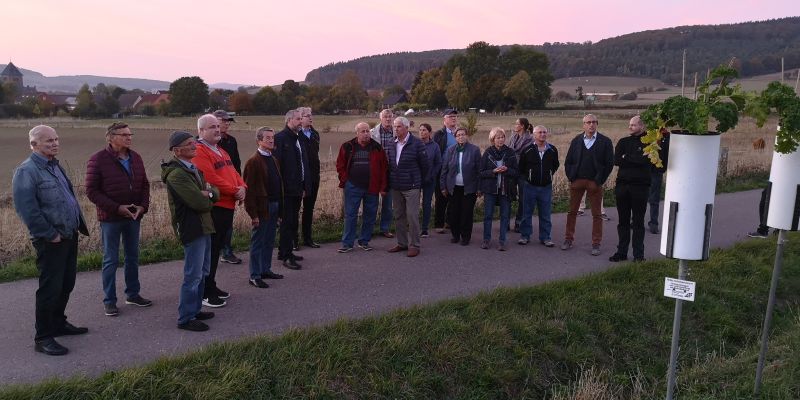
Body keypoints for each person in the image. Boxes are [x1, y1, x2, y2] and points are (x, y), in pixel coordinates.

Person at [12, 125, 89, 356]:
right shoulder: (27, 171)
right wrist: (50, 234)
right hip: (51, 239)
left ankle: (58, 323)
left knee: (66, 283)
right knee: (50, 288)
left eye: (56, 140)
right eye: (48, 141)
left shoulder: (55, 166)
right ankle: (43, 337)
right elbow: (27, 210)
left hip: (69, 234)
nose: (54, 144)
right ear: (33, 145)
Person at [85, 122, 152, 317]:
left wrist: (142, 206)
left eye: (130, 134)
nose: (129, 138)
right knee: (110, 260)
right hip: (111, 218)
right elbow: (91, 191)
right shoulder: (97, 160)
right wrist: (117, 208)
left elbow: (145, 185)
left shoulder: (136, 158)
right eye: (124, 135)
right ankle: (109, 300)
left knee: (132, 257)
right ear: (111, 137)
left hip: (134, 216)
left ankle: (132, 294)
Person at [161, 131, 218, 332]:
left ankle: (195, 310)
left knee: (203, 271)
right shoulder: (177, 175)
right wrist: (208, 194)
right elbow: (198, 202)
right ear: (177, 150)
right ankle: (185, 318)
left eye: (194, 143)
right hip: (192, 227)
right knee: (193, 274)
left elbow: (212, 193)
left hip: (204, 225)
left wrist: (208, 193)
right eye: (189, 144)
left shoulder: (193, 169)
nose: (194, 146)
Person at [193, 114, 247, 308]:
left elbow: (234, 173)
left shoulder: (221, 151)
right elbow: (211, 179)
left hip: (228, 205)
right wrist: (235, 191)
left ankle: (212, 284)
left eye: (218, 126)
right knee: (211, 250)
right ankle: (205, 292)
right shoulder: (199, 151)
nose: (217, 129)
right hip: (215, 208)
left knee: (216, 250)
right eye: (211, 127)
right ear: (201, 131)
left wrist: (243, 188)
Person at [562, 114, 614, 256]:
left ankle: (596, 244)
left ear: (597, 124)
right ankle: (568, 239)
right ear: (583, 125)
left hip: (594, 182)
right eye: (588, 122)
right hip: (577, 181)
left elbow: (609, 163)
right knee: (572, 212)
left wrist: (599, 180)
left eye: (593, 122)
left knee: (597, 214)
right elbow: (568, 161)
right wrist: (572, 177)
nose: (591, 125)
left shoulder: (605, 141)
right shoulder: (576, 141)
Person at [335, 122, 389, 253]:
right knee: (351, 215)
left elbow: (384, 168)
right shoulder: (347, 146)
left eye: (367, 131)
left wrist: (383, 187)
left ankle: (364, 241)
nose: (366, 134)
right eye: (363, 131)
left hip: (372, 187)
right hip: (353, 186)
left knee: (370, 215)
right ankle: (347, 243)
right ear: (357, 133)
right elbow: (340, 165)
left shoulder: (377, 148)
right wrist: (345, 180)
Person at [242, 127, 285, 288]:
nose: (271, 140)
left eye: (272, 137)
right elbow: (249, 191)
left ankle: (265, 269)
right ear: (259, 141)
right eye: (267, 138)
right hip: (262, 208)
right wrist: (253, 215)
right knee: (258, 242)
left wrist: (280, 211)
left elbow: (278, 185)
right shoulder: (253, 162)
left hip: (275, 205)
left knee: (269, 240)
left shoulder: (273, 159)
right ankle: (254, 275)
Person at [609, 116, 651, 262]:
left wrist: (628, 157)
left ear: (642, 126)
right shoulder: (623, 142)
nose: (630, 127)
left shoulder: (650, 143)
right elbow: (617, 160)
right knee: (623, 221)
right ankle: (621, 252)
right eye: (629, 125)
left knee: (638, 222)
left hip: (640, 187)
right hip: (622, 187)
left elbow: (646, 161)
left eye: (633, 125)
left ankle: (639, 255)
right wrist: (637, 158)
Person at [386, 116, 430, 257]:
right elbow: (390, 165)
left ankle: (415, 245)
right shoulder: (391, 143)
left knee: (412, 216)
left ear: (406, 127)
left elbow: (425, 166)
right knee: (399, 216)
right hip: (396, 186)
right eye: (394, 126)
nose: (395, 129)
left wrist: (417, 182)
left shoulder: (417, 144)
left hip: (412, 186)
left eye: (398, 126)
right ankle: (402, 243)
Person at [274, 109, 309, 269]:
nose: (300, 121)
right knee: (287, 223)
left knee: (293, 221)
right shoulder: (281, 139)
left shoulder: (298, 138)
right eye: (297, 119)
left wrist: (303, 186)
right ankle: (286, 256)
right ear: (288, 120)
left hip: (297, 188)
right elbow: (277, 166)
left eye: (301, 119)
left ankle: (285, 250)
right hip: (286, 190)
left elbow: (302, 164)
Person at [518, 125, 560, 247]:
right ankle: (525, 236)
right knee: (527, 213)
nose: (542, 134)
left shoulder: (552, 150)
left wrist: (548, 175)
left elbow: (555, 165)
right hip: (530, 186)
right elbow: (522, 167)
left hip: (546, 187)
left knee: (545, 214)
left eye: (544, 132)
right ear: (534, 135)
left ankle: (546, 237)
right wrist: (529, 177)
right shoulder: (527, 150)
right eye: (540, 132)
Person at [440, 127, 481, 246]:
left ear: (467, 136)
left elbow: (479, 171)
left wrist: (479, 188)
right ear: (455, 137)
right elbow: (444, 170)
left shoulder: (474, 150)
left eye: (463, 134)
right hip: (453, 188)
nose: (460, 137)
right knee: (454, 212)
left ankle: (466, 236)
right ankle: (455, 235)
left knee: (466, 213)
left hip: (469, 188)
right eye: (458, 135)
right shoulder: (450, 150)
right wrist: (443, 186)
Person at [212, 110, 243, 265]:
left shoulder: (231, 141)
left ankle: (226, 251)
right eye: (224, 121)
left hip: (231, 187)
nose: (227, 123)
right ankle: (213, 254)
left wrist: (240, 185)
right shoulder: (207, 142)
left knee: (227, 224)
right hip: (214, 190)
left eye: (228, 121)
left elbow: (236, 164)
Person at [480, 127, 518, 251]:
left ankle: (502, 241)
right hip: (490, 189)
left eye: (502, 137)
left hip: (505, 189)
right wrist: (493, 171)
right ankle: (486, 240)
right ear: (492, 139)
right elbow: (481, 172)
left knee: (505, 216)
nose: (501, 140)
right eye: (498, 137)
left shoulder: (510, 152)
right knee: (488, 215)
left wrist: (507, 170)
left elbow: (516, 172)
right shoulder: (488, 153)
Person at [297, 107, 321, 248]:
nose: (310, 118)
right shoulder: (296, 135)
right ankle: (293, 241)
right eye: (306, 116)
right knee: (294, 210)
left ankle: (308, 238)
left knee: (309, 209)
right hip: (300, 177)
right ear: (300, 118)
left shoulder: (315, 134)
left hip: (313, 177)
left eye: (311, 115)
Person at [432, 108, 459, 233]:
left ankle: (450, 221)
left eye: (455, 116)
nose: (453, 118)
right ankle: (439, 224)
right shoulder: (439, 134)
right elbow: (435, 152)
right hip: (442, 170)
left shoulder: (459, 133)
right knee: (441, 198)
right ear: (444, 120)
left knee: (454, 198)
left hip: (457, 171)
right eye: (450, 116)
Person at [370, 109, 395, 238]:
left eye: (390, 117)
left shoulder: (396, 133)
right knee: (372, 202)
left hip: (390, 171)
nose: (388, 119)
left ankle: (384, 228)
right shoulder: (372, 133)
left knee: (388, 203)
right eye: (385, 117)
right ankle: (369, 228)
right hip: (375, 171)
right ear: (380, 118)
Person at [508, 118, 533, 231]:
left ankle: (519, 222)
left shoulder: (530, 139)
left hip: (523, 172)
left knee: (523, 198)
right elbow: (508, 151)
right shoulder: (513, 137)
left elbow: (528, 155)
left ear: (522, 126)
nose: (515, 125)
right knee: (508, 196)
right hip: (511, 170)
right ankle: (506, 221)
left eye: (517, 123)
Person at [419, 123, 442, 238]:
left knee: (426, 204)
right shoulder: (416, 144)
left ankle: (424, 228)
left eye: (424, 130)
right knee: (413, 204)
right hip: (416, 180)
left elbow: (438, 163)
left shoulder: (435, 146)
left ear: (429, 132)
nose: (422, 132)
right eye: (420, 130)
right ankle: (414, 226)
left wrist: (432, 175)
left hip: (430, 179)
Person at [648, 130, 670, 234]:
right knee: (639, 196)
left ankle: (654, 223)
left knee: (654, 198)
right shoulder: (648, 134)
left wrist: (663, 167)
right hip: (644, 169)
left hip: (657, 170)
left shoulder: (668, 138)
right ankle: (635, 221)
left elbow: (668, 153)